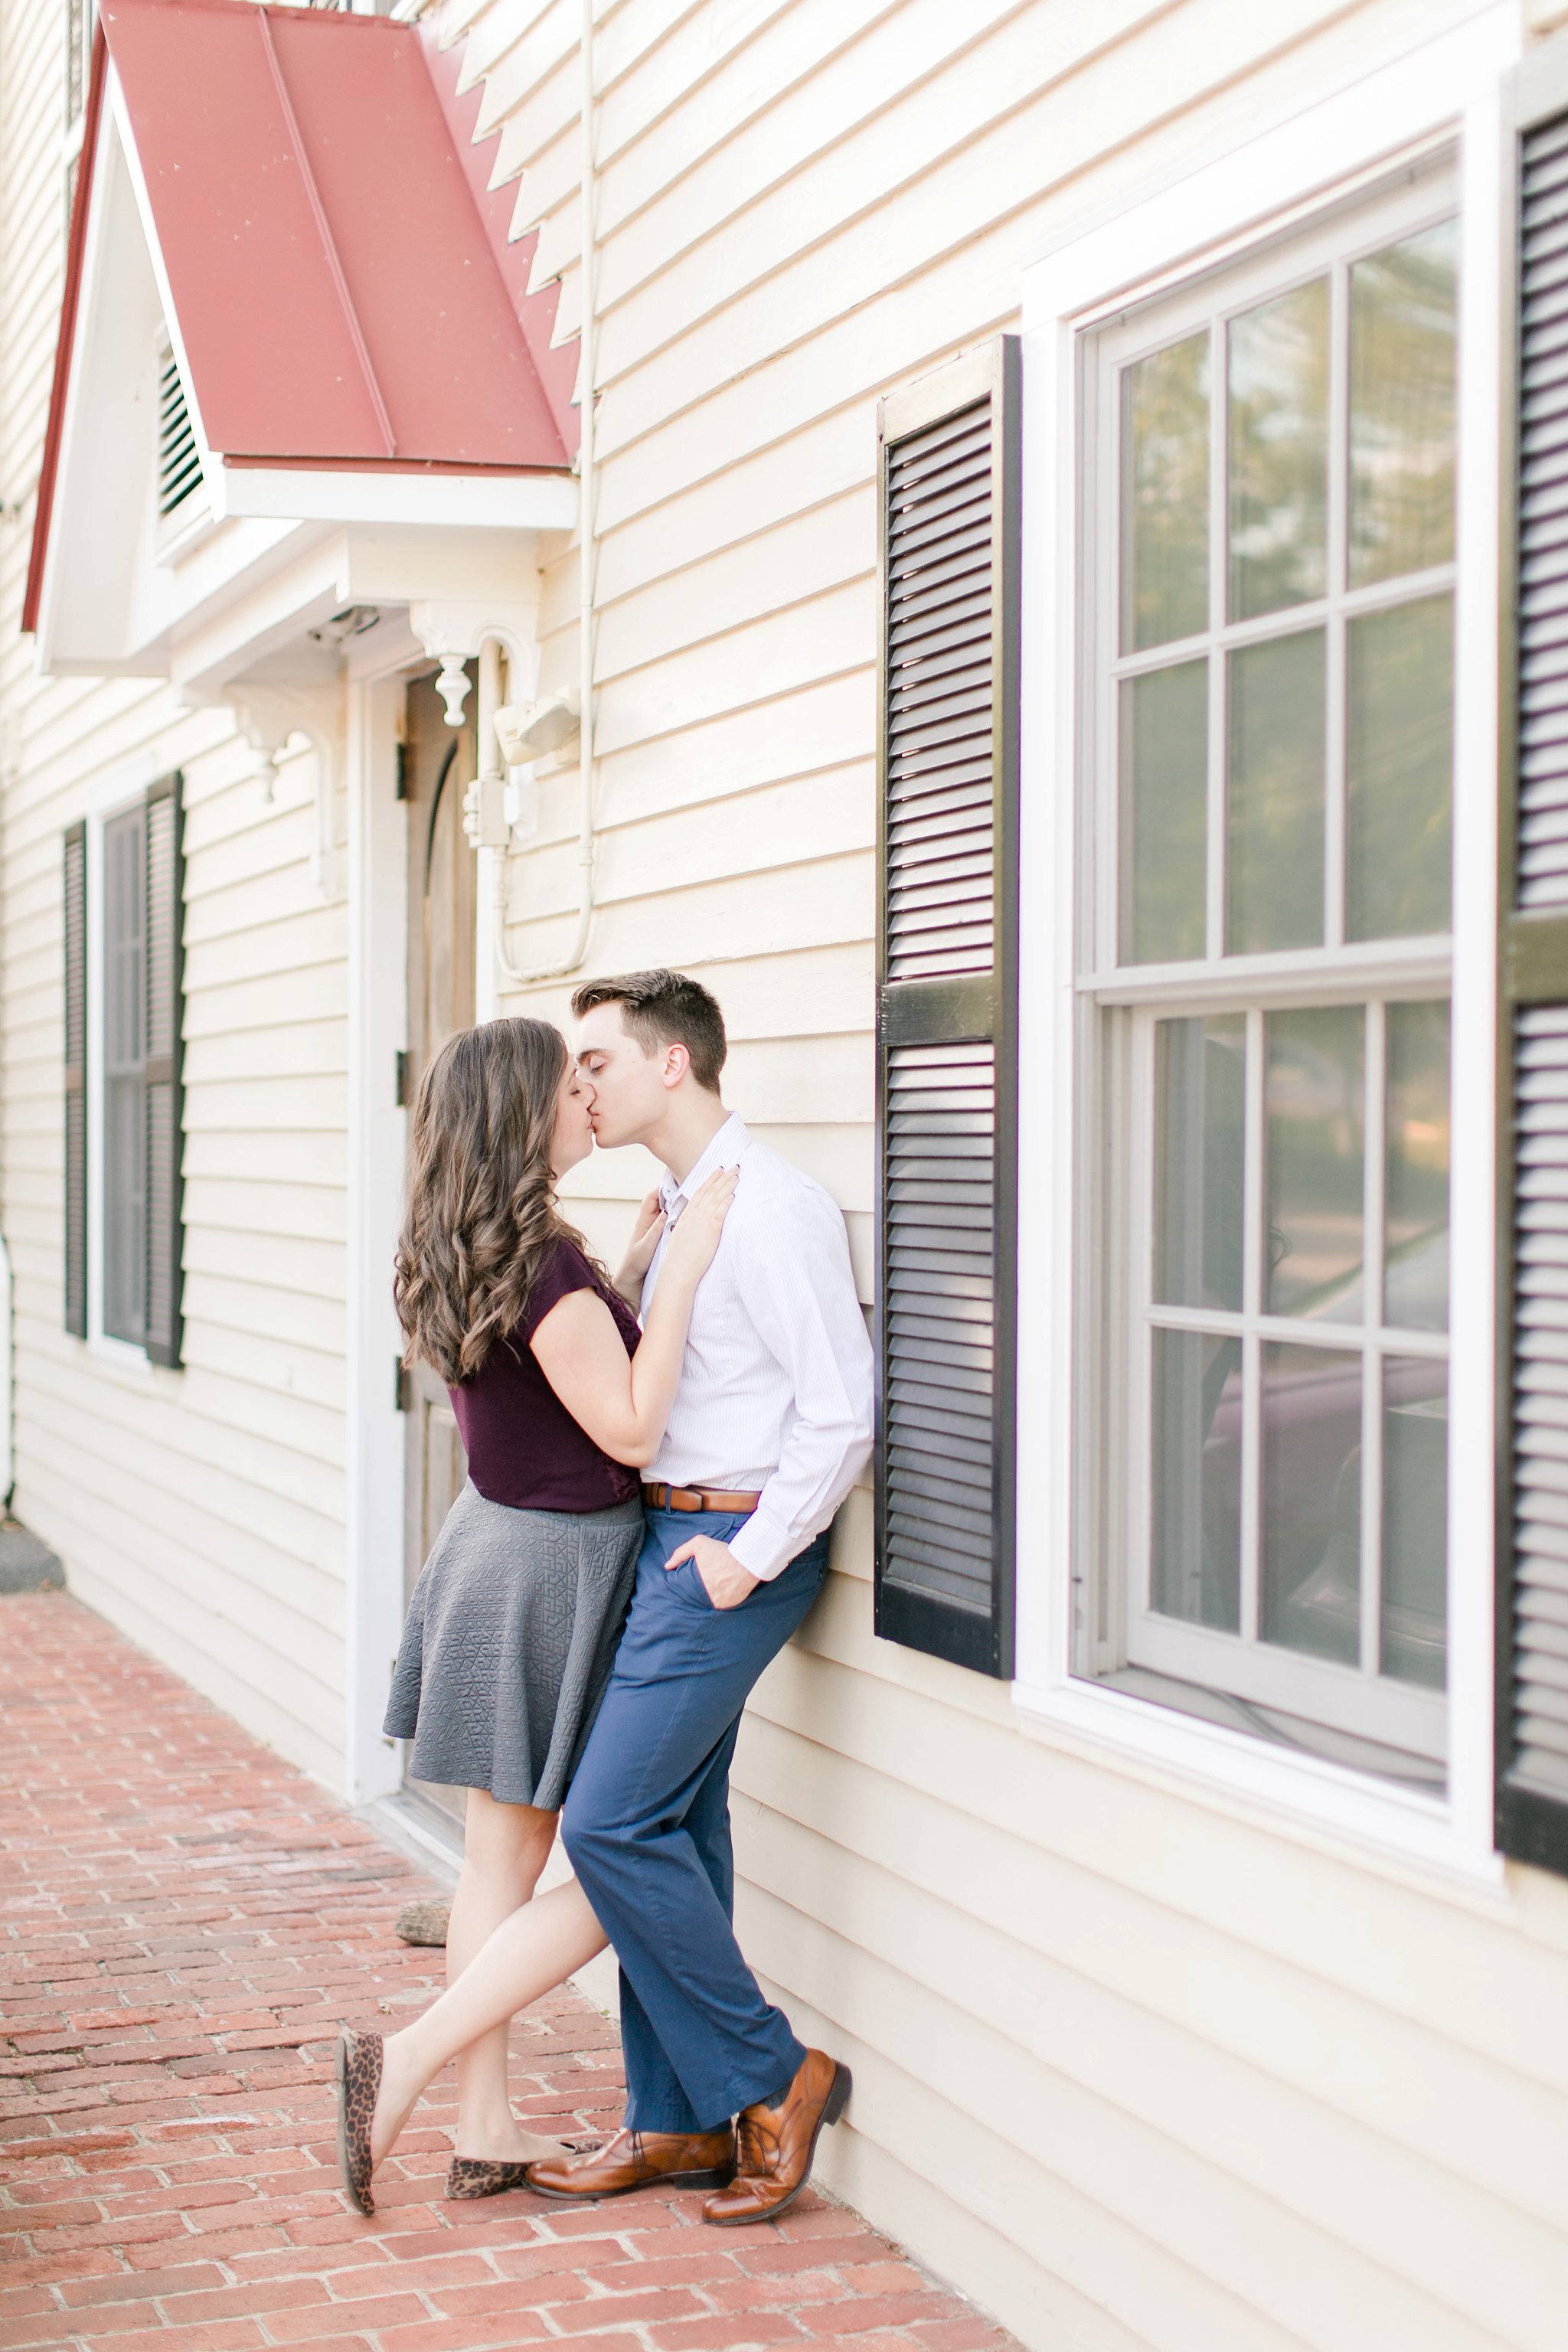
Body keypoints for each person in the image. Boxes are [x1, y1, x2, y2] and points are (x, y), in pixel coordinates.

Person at [334, 1016, 733, 2216]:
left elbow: (543, 1378)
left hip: (494, 1551)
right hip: (553, 1572)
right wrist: (684, 1277)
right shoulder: (546, 1269)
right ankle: (409, 2062)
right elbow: (623, 1428)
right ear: (525, 1115)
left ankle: (481, 2121)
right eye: (571, 1084)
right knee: (622, 1861)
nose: (589, 1096)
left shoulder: (466, 1244)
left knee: (497, 1870)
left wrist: (628, 1263)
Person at [525, 968, 874, 2227]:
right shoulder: (672, 1209)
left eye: (600, 1063)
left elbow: (841, 1410)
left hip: (726, 1554)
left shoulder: (770, 1208)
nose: (582, 1087)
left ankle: (778, 2078)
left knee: (610, 1825)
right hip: (668, 1544)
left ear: (675, 1063)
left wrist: (751, 1555)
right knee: (677, 1831)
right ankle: (674, 2123)